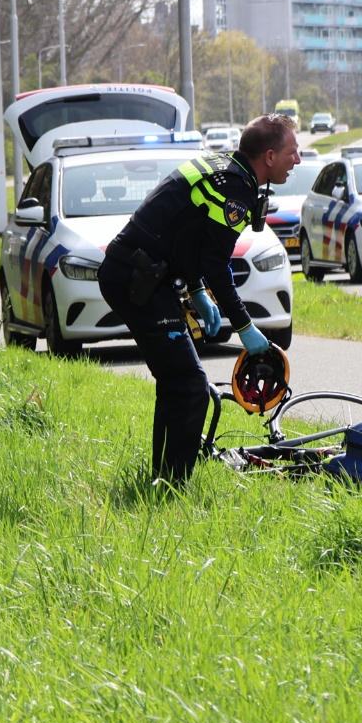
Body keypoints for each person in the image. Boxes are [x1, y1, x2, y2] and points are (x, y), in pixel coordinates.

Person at [99, 113, 300, 484]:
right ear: (270, 157)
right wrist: (245, 326)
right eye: (293, 152)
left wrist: (196, 290)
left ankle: (162, 479)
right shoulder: (236, 187)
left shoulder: (224, 167)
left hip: (139, 273)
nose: (298, 160)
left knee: (178, 382)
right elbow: (216, 264)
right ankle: (172, 485)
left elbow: (188, 239)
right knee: (190, 385)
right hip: (136, 278)